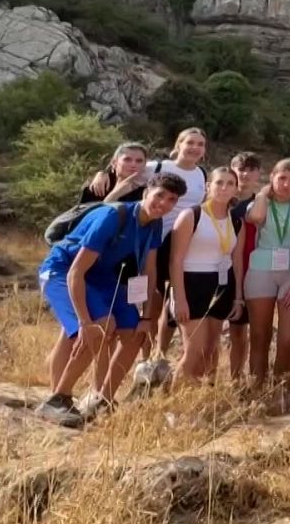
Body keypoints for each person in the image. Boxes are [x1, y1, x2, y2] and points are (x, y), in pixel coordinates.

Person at [35, 173, 186, 427]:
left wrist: (147, 317)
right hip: (64, 271)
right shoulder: (113, 217)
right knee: (98, 327)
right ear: (146, 192)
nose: (163, 203)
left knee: (134, 332)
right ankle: (57, 400)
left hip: (106, 278)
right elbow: (76, 271)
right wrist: (84, 321)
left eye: (171, 199)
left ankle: (102, 399)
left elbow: (149, 272)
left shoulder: (155, 224)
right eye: (160, 195)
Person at [113, 128, 208, 381]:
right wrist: (104, 176)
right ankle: (147, 358)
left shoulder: (201, 174)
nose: (194, 148)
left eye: (200, 144)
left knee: (172, 298)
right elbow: (125, 172)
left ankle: (160, 355)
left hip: (185, 243)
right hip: (154, 238)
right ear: (178, 144)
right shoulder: (157, 167)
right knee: (151, 298)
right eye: (189, 142)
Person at [62, 141, 148, 416]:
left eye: (139, 161)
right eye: (127, 160)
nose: (133, 166)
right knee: (75, 335)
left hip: (123, 272)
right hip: (88, 270)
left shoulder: (148, 192)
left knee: (111, 335)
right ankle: (58, 394)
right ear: (114, 162)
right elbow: (91, 220)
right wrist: (118, 190)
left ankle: (98, 396)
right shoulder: (97, 187)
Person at [241, 158, 290, 408]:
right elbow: (256, 218)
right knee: (259, 335)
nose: (286, 184)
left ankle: (283, 389)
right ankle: (256, 390)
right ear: (272, 177)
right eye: (281, 178)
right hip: (261, 270)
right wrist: (262, 192)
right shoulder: (259, 203)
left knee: (288, 337)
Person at [168, 166, 246, 384]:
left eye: (230, 183)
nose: (224, 188)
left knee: (211, 350)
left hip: (222, 284)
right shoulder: (191, 215)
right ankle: (173, 405)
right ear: (208, 186)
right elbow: (176, 260)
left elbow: (237, 261)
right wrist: (179, 298)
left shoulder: (237, 221)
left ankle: (201, 399)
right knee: (195, 350)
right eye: (219, 182)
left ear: (236, 189)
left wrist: (238, 297)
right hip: (192, 284)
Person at [225, 151, 264, 385]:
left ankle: (252, 381)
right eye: (240, 168)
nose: (245, 173)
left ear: (259, 174)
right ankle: (233, 379)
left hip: (254, 272)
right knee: (233, 331)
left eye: (251, 169)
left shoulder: (261, 202)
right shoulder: (221, 200)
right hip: (221, 271)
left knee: (253, 331)